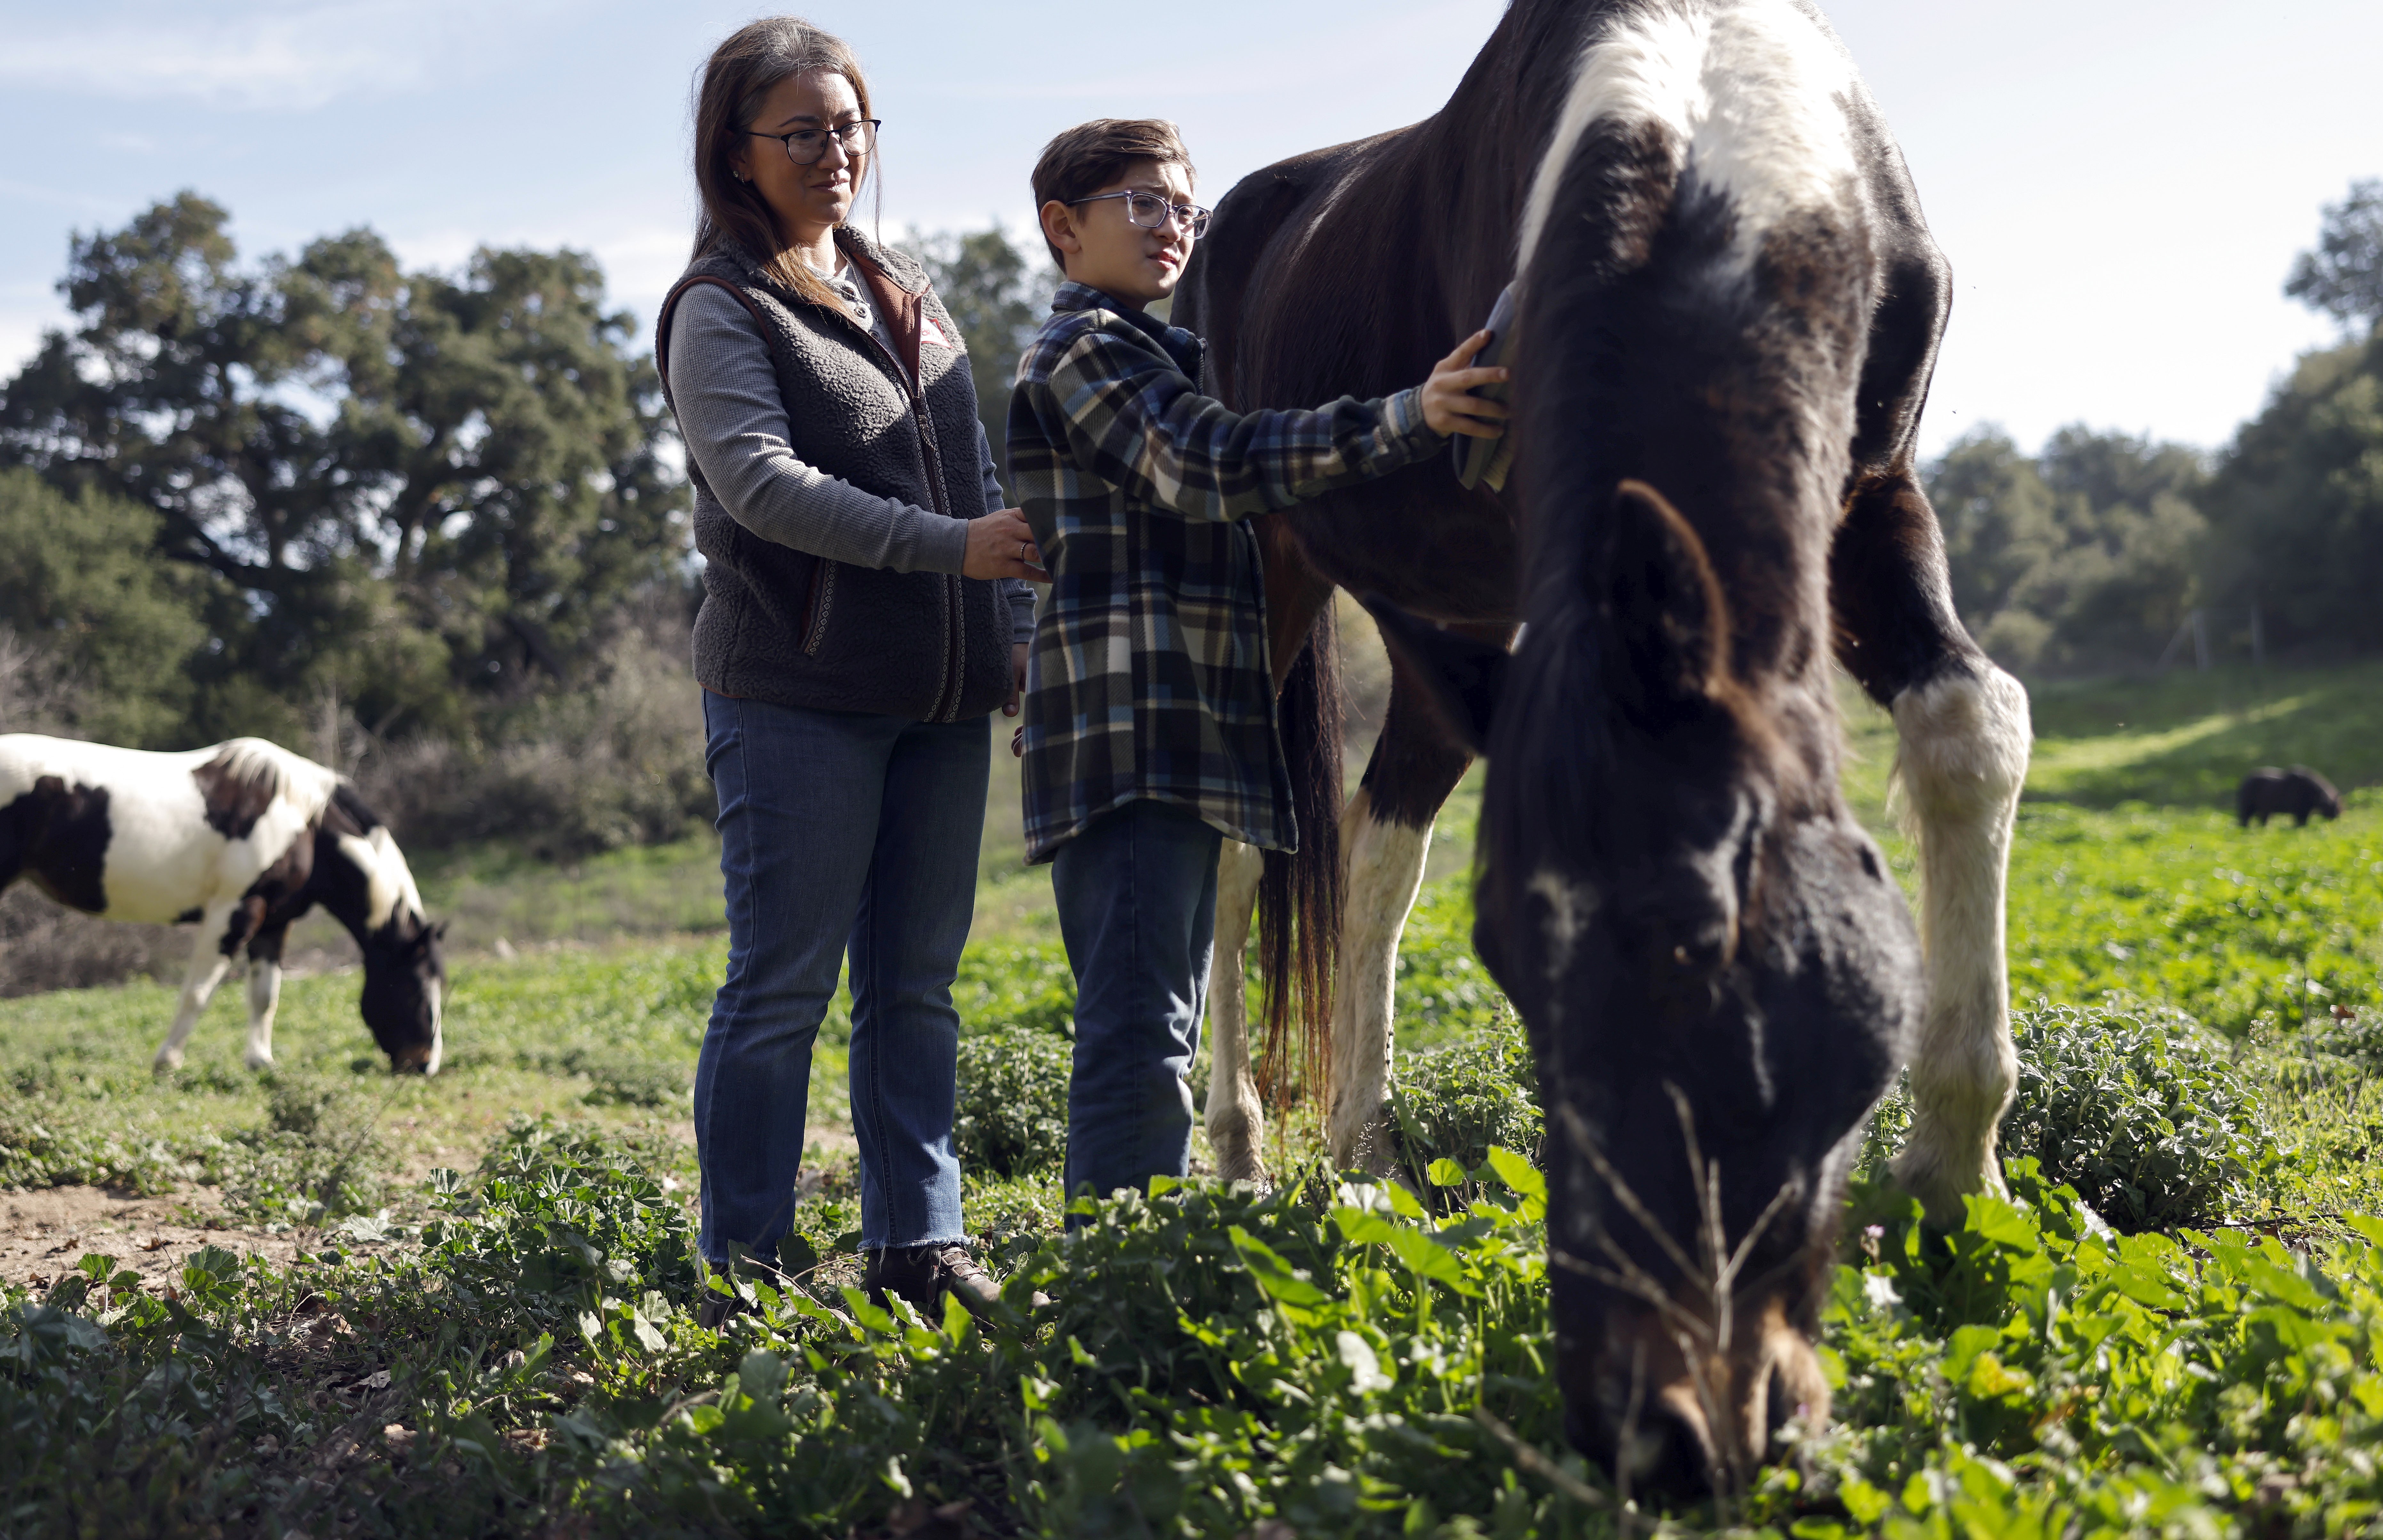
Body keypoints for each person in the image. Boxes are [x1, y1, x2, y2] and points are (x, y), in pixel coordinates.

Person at [1009, 119, 1508, 1213]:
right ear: (1063, 227)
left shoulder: (1155, 355)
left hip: (1186, 736)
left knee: (1162, 1026)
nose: (1172, 229)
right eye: (1143, 204)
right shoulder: (1081, 355)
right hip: (1131, 737)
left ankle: (1130, 1258)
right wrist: (1407, 418)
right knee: (1140, 1035)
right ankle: (1116, 1283)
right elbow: (1209, 462)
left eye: (1183, 208)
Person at [656, 18, 1045, 1324]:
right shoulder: (720, 306)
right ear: (738, 151)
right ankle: (748, 1270)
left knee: (916, 988)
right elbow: (763, 487)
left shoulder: (909, 290)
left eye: (851, 125)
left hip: (941, 700)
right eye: (802, 131)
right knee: (780, 989)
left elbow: (987, 487)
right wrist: (953, 551)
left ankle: (917, 1246)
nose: (836, 152)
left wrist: (1015, 643)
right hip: (799, 696)